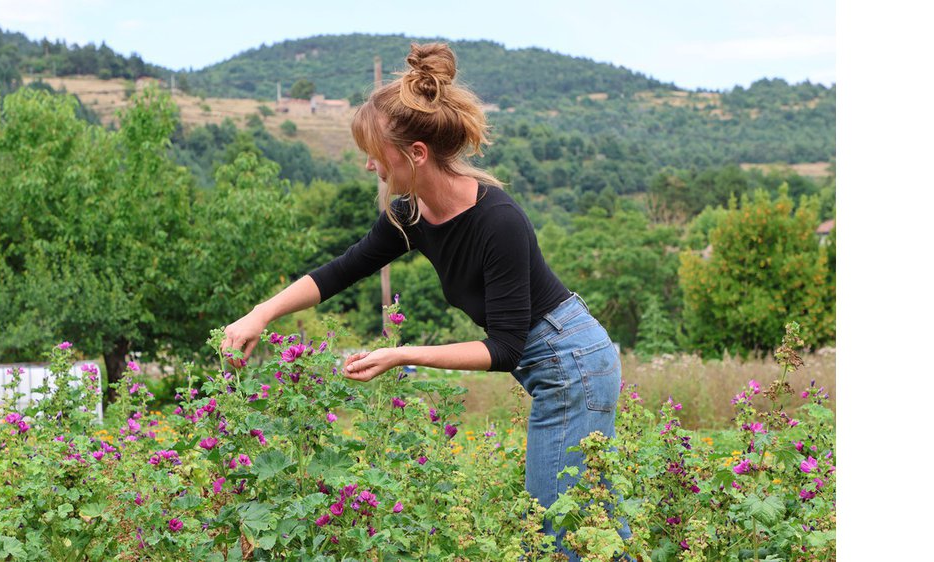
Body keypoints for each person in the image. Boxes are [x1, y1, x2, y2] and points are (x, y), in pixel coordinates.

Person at [221, 42, 632, 561]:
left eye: (376, 153)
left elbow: (505, 348)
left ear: (416, 153)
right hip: (558, 363)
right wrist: (261, 313)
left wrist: (401, 354)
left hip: (571, 364)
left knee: (556, 534)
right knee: (594, 525)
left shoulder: (498, 221)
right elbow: (341, 270)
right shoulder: (411, 215)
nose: (369, 165)